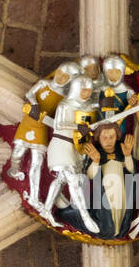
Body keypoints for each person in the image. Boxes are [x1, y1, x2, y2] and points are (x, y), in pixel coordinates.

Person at [9, 61, 79, 208]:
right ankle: (14, 170)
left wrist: (48, 120)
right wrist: (34, 105)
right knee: (18, 152)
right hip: (29, 122)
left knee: (37, 163)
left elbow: (59, 117)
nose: (60, 78)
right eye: (60, 73)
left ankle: (34, 197)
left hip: (41, 127)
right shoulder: (43, 84)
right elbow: (29, 94)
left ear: (69, 81)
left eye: (65, 77)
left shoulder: (63, 99)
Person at [38, 74, 99, 234]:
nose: (86, 94)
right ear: (76, 89)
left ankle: (46, 209)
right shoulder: (65, 105)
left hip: (74, 147)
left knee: (61, 180)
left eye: (88, 91)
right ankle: (85, 216)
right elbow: (59, 124)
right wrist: (79, 126)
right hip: (60, 144)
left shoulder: (88, 106)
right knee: (72, 180)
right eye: (83, 90)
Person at [84, 121, 135, 239]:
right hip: (104, 192)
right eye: (104, 137)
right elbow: (90, 175)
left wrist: (127, 155)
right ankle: (109, 230)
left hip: (120, 191)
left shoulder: (121, 150)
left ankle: (118, 230)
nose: (108, 141)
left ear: (117, 137)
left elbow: (131, 169)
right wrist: (96, 161)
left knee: (119, 211)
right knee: (107, 215)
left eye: (111, 137)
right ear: (98, 138)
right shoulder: (96, 153)